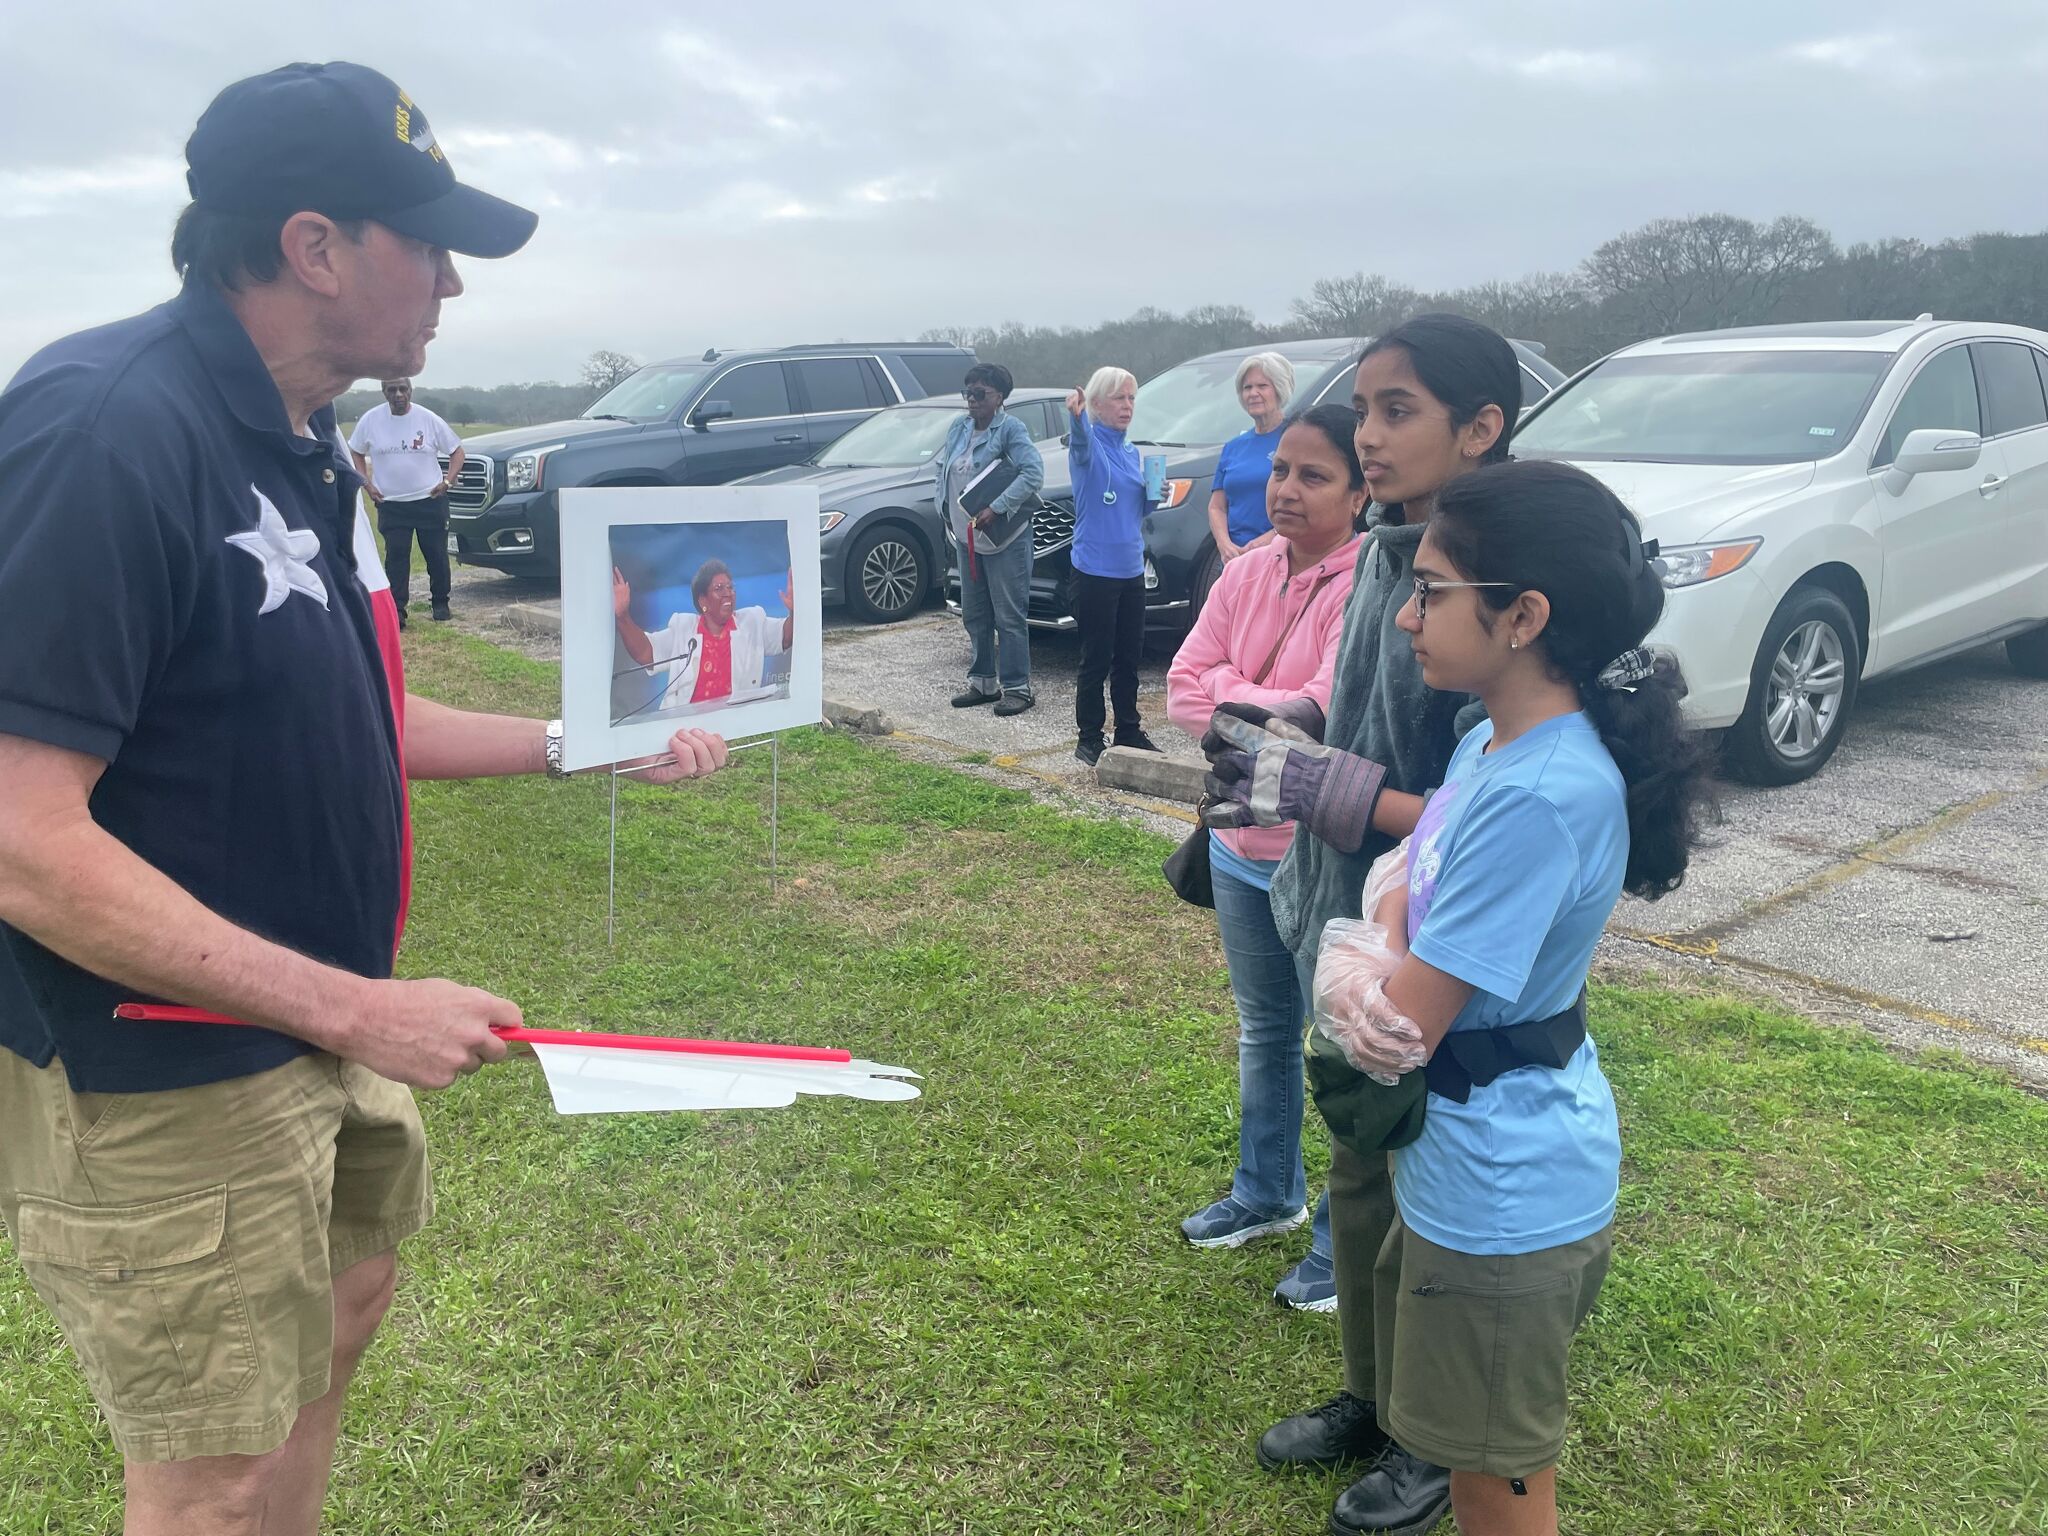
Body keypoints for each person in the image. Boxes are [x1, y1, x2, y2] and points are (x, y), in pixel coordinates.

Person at [0, 63, 728, 1536]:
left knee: (336, 1325)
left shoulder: (305, 438)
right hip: (167, 1062)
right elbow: (22, 841)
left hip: (309, 1018)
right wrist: (354, 1011)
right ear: (317, 247)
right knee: (208, 1473)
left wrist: (580, 745)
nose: (452, 280)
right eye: (427, 241)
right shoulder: (107, 431)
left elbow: (366, 714)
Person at [1314, 458, 1706, 1534]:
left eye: (1431, 590)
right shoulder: (1489, 740)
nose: (1405, 617)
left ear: (1523, 615)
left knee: (1493, 1487)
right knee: (1466, 1454)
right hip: (1460, 1159)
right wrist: (1391, 921)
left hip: (1503, 1192)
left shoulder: (1539, 793)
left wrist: (1363, 941)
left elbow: (1393, 1024)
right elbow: (1413, 876)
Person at [1200, 314, 1524, 1531]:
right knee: (1359, 1173)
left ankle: (1439, 1445)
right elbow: (1366, 704)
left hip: (1439, 945)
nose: (1368, 437)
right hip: (1346, 919)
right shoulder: (1398, 546)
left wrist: (1338, 792)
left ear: (1479, 428)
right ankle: (1373, 1397)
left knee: (1433, 1196)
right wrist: (1291, 724)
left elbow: (1500, 796)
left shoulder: (1496, 568)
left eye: (1397, 412)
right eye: (1365, 409)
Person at [1166, 403, 1364, 1306]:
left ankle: (1337, 1244)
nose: (1286, 489)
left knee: (1343, 1045)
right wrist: (1259, 704)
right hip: (1239, 844)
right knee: (1266, 1030)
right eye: (1280, 470)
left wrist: (1234, 698)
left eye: (1313, 475)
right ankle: (1266, 1193)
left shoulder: (1372, 586)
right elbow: (1179, 688)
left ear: (1360, 493)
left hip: (1317, 854)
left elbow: (1315, 714)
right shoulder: (1245, 573)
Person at [939, 363, 1045, 716]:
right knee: (976, 613)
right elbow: (946, 470)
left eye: (980, 393)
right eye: (967, 392)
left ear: (999, 397)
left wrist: (998, 507)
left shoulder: (1010, 429)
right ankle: (983, 683)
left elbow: (1033, 473)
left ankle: (1018, 687)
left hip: (1004, 538)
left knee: (1009, 615)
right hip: (967, 537)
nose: (971, 400)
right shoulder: (959, 428)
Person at [1066, 366, 1159, 765]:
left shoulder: (1131, 451)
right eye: (1119, 398)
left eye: (1132, 398)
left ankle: (1128, 729)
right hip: (1094, 570)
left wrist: (1156, 495)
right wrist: (1076, 416)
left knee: (1129, 657)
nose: (1127, 406)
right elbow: (1082, 443)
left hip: (1130, 568)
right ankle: (1089, 736)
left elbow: (1133, 510)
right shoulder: (1089, 448)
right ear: (1098, 403)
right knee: (1096, 657)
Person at [348, 377, 463, 625]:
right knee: (396, 556)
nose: (398, 394)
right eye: (392, 389)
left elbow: (457, 451)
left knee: (436, 555)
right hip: (391, 503)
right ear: (384, 392)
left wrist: (448, 481)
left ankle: (441, 602)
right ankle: (397, 610)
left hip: (429, 500)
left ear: (411, 391)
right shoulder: (370, 420)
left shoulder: (428, 419)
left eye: (403, 389)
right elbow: (355, 451)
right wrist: (366, 483)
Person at [612, 560, 794, 714]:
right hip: (685, 727)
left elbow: (785, 636)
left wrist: (795, 612)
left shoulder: (752, 622)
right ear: (703, 601)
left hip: (736, 724)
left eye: (730, 587)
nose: (728, 592)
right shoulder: (683, 629)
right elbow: (646, 653)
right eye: (719, 588)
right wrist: (622, 615)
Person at [1206, 352, 1296, 562]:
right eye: (1247, 387)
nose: (1253, 393)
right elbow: (1216, 506)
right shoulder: (1233, 447)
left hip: (1280, 555)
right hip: (1235, 559)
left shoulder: (1294, 438)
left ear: (1279, 389)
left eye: (1262, 386)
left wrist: (1269, 539)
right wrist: (1224, 544)